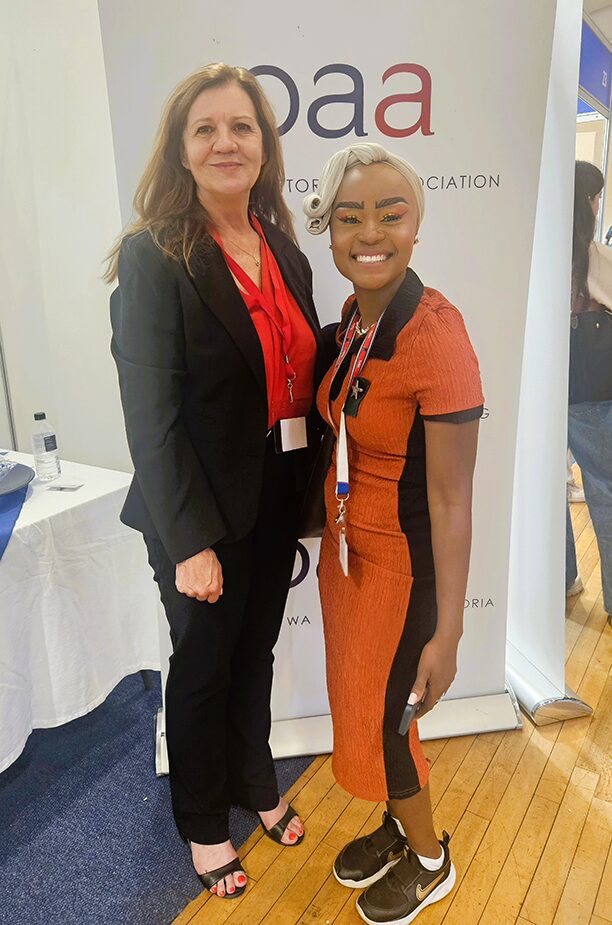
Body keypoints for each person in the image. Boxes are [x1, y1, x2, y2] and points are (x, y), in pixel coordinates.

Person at [107, 63, 327, 899]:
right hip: (195, 510)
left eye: (242, 126)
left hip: (274, 495)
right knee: (203, 668)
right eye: (206, 129)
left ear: (264, 145)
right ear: (182, 150)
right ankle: (204, 822)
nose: (225, 142)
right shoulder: (155, 256)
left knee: (255, 653)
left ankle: (254, 779)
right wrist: (190, 541)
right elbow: (151, 418)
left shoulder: (283, 249)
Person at [303, 144, 483, 925]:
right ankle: (395, 825)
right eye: (350, 217)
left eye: (389, 214)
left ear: (416, 226)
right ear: (330, 230)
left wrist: (449, 631)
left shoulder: (436, 335)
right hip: (350, 557)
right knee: (362, 703)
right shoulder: (354, 319)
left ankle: (432, 858)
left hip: (404, 571)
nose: (369, 232)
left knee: (391, 717)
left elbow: (451, 498)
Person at [566, 161, 612, 625]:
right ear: (588, 202)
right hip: (594, 389)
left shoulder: (541, 253)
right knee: (606, 489)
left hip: (545, 385)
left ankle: (561, 579)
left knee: (546, 489)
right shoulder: (596, 257)